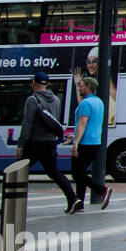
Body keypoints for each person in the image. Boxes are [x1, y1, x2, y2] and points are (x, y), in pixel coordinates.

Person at [17, 72, 81, 214]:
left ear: (34, 83)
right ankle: (73, 199)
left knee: (17, 172)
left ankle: (11, 205)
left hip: (34, 143)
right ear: (47, 84)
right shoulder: (56, 100)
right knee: (54, 172)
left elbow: (27, 124)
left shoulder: (32, 100)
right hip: (50, 143)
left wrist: (21, 144)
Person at [71, 76, 112, 211]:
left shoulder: (86, 104)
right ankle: (79, 203)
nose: (79, 87)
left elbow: (82, 123)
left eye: (81, 85)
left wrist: (76, 143)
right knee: (80, 173)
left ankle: (102, 191)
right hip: (95, 142)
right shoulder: (98, 102)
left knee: (77, 174)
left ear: (88, 86)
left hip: (84, 142)